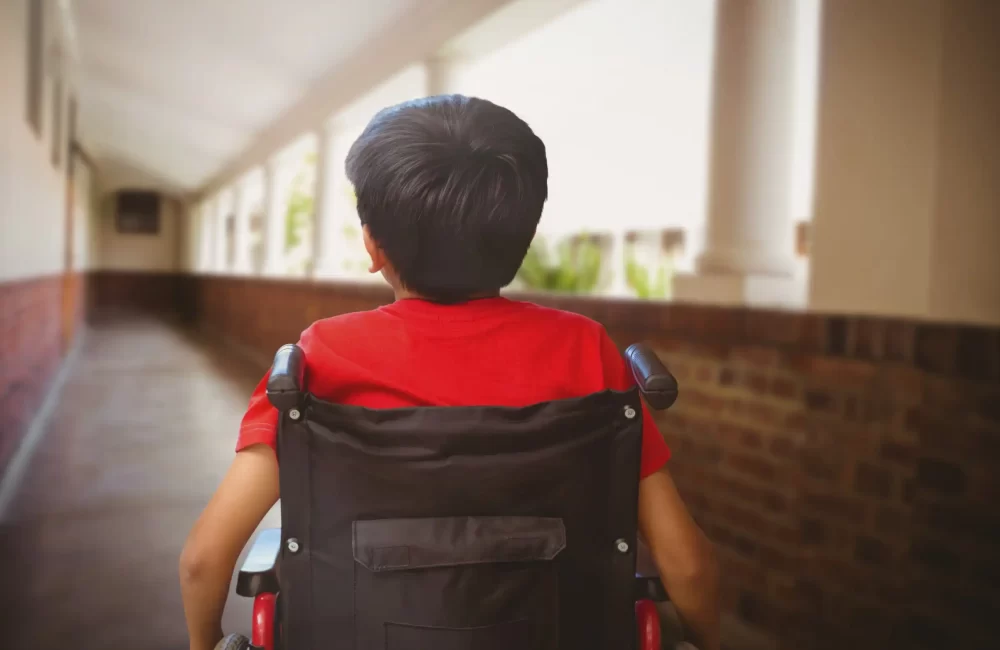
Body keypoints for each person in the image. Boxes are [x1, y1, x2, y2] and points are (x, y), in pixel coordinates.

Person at [179, 95, 720, 650]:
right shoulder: (585, 349)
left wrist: (204, 643)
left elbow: (204, 559)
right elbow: (689, 568)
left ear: (373, 244)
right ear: (522, 239)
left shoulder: (321, 356)